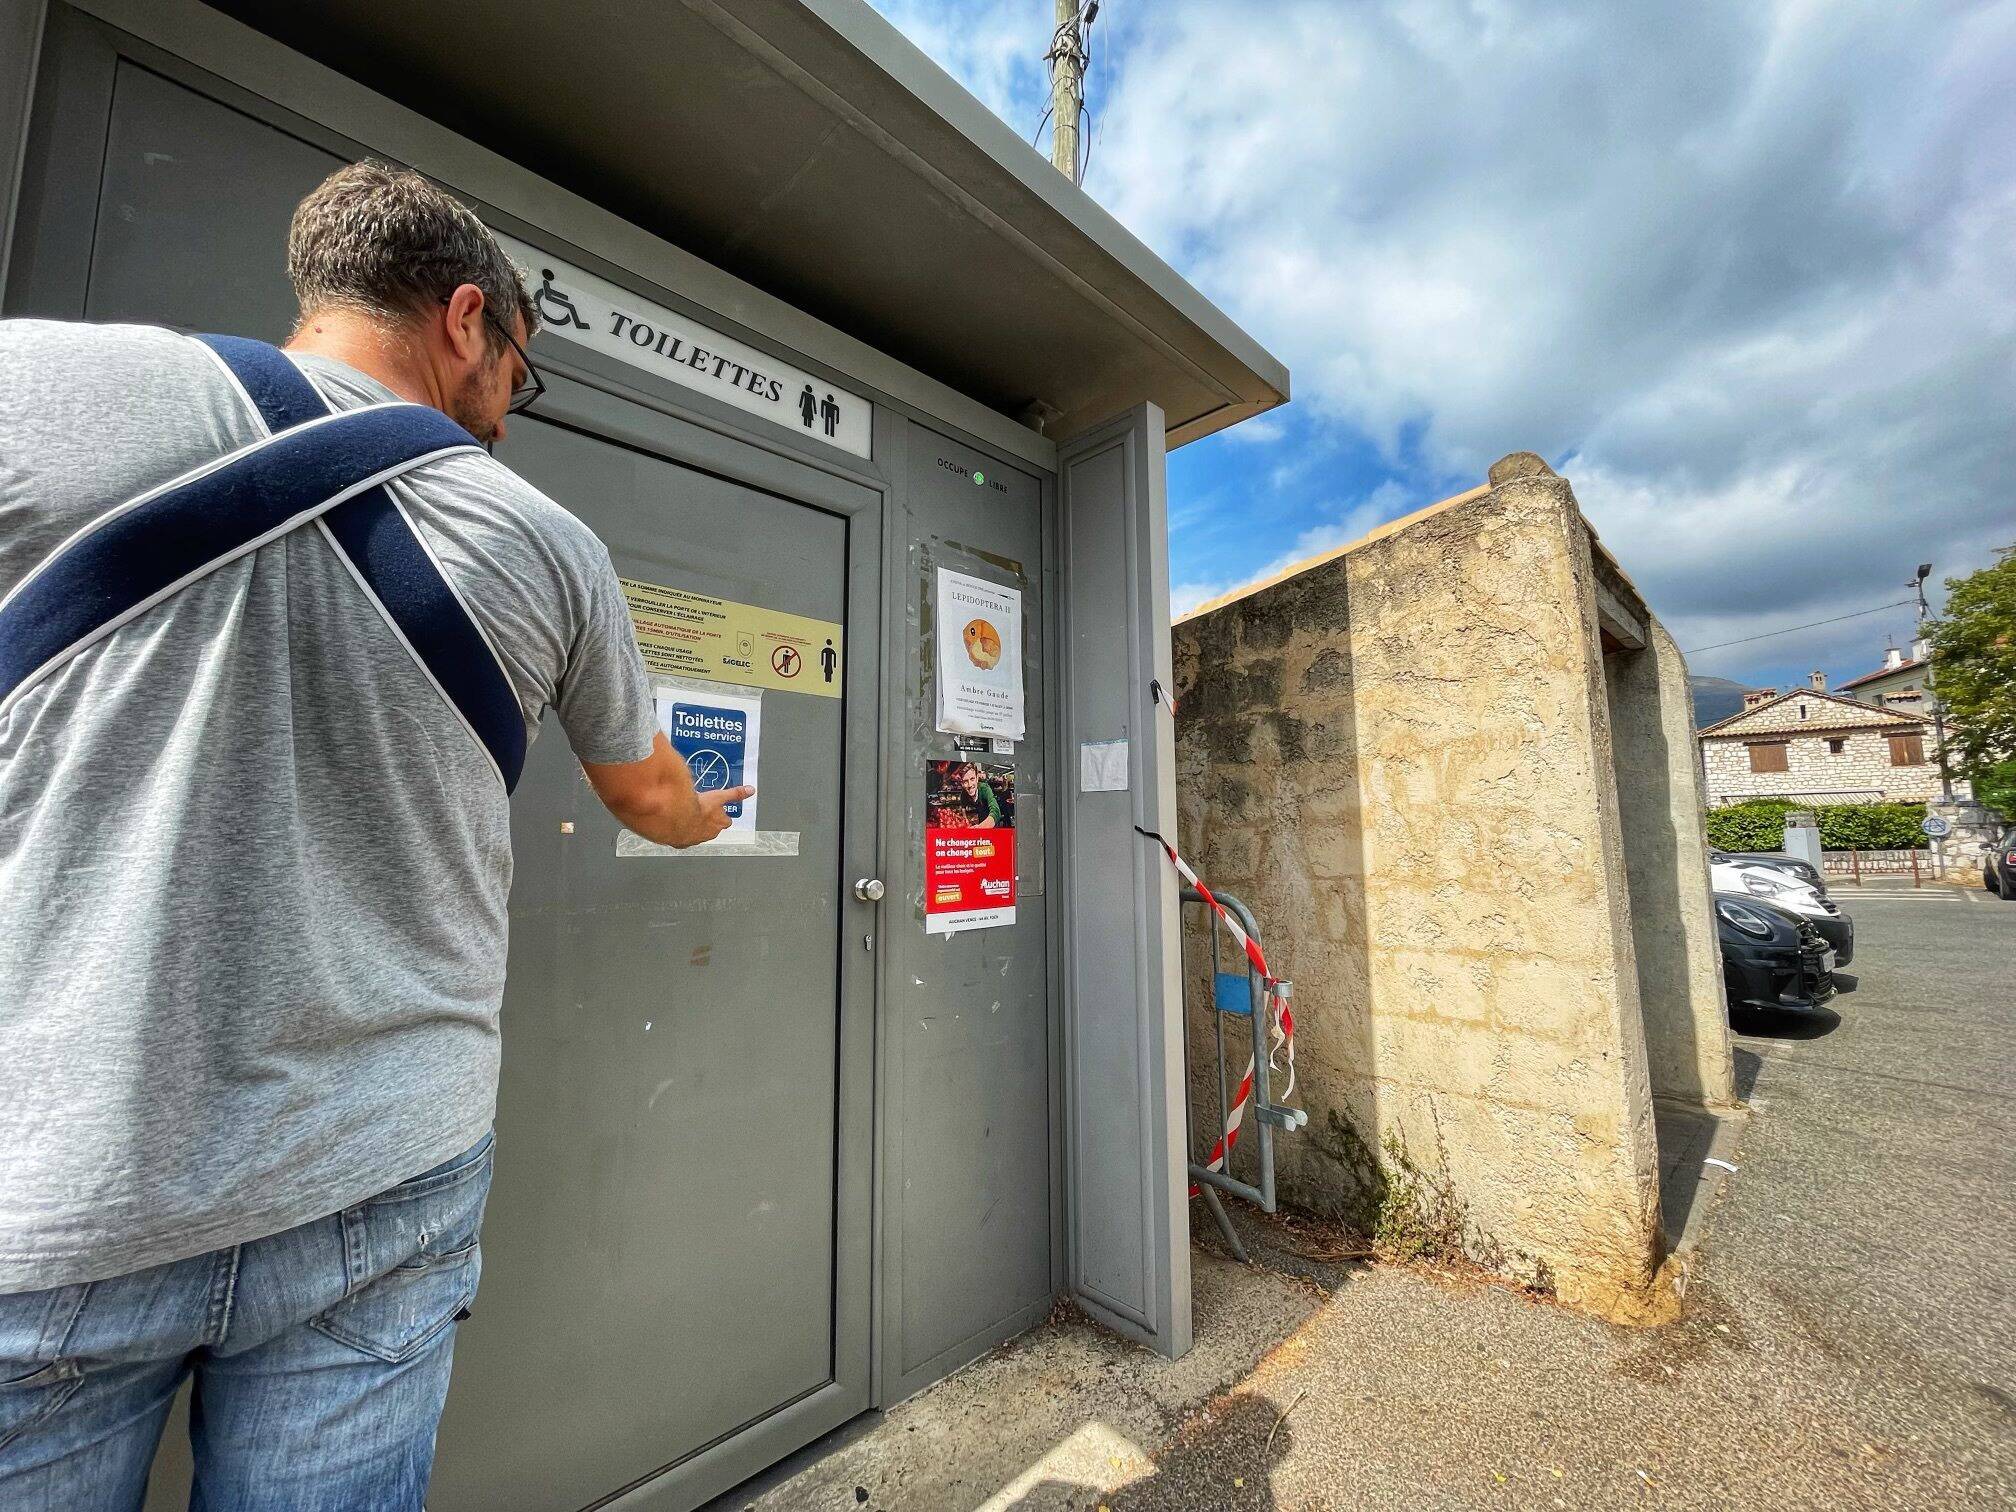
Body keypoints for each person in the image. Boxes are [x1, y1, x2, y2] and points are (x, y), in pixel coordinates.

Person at [0, 160, 751, 1509]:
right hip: (382, 1173)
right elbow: (650, 797)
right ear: (468, 319)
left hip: (58, 1183)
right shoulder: (542, 538)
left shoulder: (42, 386)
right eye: (519, 372)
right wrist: (718, 816)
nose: (510, 415)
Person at [940, 761, 1006, 828]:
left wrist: (981, 827)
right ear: (962, 783)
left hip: (990, 824)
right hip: (978, 821)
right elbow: (963, 808)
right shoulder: (964, 794)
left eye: (972, 779)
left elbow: (996, 811)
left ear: (977, 778)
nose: (970, 785)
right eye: (965, 781)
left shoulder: (984, 789)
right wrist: (966, 820)